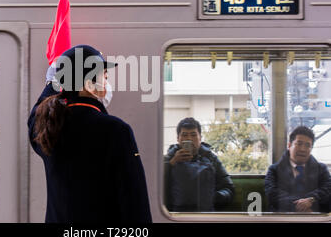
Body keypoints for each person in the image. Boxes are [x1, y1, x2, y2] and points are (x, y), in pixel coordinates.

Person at [27, 45, 152, 223]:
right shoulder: (116, 131)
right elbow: (134, 204)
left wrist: (52, 84)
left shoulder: (49, 128)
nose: (107, 84)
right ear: (89, 85)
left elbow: (34, 117)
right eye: (105, 77)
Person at [163, 117, 234, 212]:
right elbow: (153, 185)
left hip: (205, 214)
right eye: (184, 135)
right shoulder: (168, 159)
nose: (189, 139)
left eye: (193, 135)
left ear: (200, 138)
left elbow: (228, 188)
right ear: (178, 139)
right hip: (174, 214)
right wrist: (172, 163)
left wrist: (213, 197)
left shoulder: (211, 158)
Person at [265, 126, 331, 213]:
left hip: (316, 217)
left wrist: (311, 200)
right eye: (299, 144)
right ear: (289, 145)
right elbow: (273, 194)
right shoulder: (274, 170)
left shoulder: (322, 169)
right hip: (283, 217)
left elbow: (327, 189)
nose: (303, 149)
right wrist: (300, 206)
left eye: (307, 145)